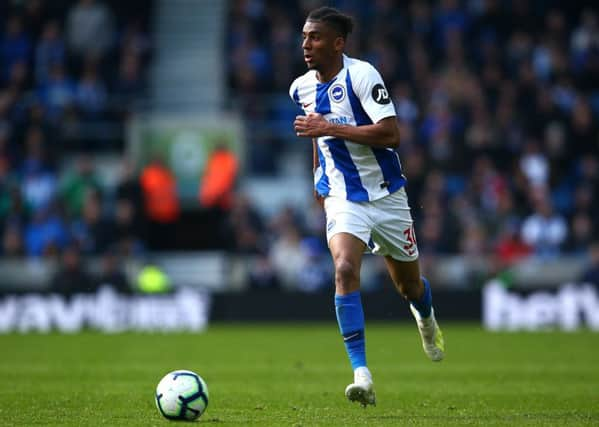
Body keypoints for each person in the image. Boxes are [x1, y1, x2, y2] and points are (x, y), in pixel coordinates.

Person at [289, 7, 444, 407]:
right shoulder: (301, 87)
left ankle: (425, 319)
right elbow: (315, 135)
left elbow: (392, 134)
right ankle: (362, 374)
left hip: (388, 197)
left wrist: (328, 128)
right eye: (305, 37)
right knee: (343, 268)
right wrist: (317, 176)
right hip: (343, 197)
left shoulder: (362, 76)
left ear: (338, 43)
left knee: (408, 286)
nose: (307, 44)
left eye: (316, 37)